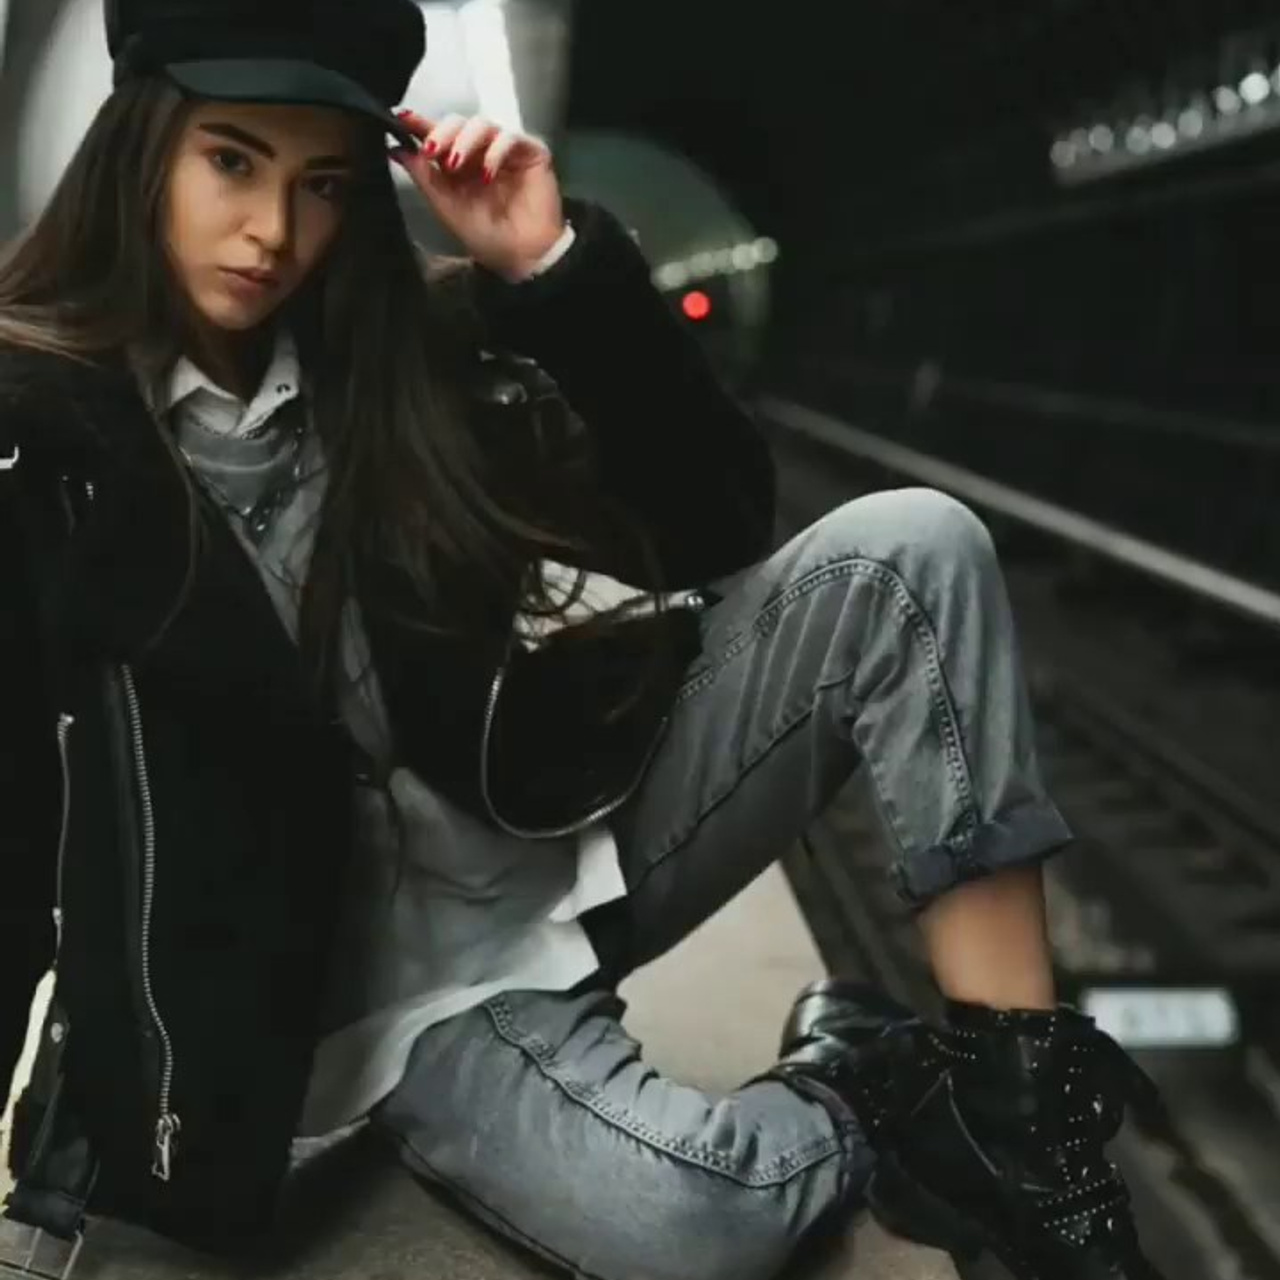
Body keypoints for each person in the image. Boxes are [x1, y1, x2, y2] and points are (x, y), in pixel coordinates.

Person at [0, 1, 1164, 1278]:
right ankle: (866, 1088)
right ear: (138, 148)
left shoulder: (395, 359)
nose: (274, 231)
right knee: (690, 1222)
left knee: (910, 548)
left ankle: (1018, 1130)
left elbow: (716, 516)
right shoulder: (48, 443)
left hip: (550, 844)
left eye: (322, 184)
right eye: (231, 161)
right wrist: (65, 1162)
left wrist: (544, 261)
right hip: (372, 1013)